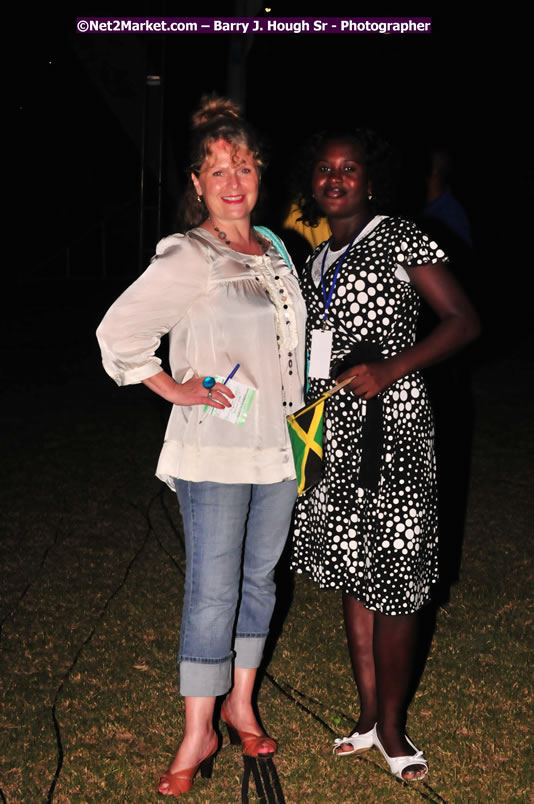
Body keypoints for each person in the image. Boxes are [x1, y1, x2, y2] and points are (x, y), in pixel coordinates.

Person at [96, 96, 306, 797]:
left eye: (244, 165)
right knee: (211, 592)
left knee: (259, 582)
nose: (233, 179)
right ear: (196, 183)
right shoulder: (189, 253)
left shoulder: (277, 248)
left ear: (260, 173)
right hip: (216, 449)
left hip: (281, 447)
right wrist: (172, 387)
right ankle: (198, 730)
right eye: (218, 169)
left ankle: (241, 703)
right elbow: (119, 333)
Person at [290, 130, 480, 781]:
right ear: (313, 184)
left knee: (396, 581)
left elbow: (462, 319)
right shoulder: (318, 259)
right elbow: (319, 348)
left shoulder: (399, 236)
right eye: (324, 168)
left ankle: (395, 729)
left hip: (395, 428)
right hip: (338, 433)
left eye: (349, 168)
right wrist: (304, 403)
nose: (335, 177)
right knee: (355, 569)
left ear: (370, 181)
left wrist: (394, 367)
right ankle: (368, 716)